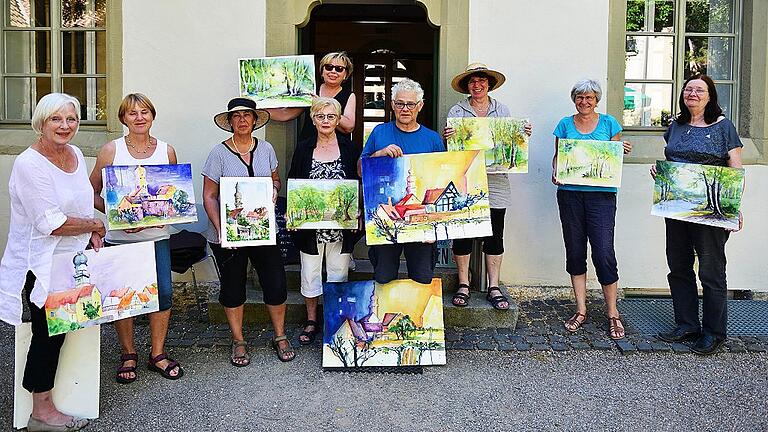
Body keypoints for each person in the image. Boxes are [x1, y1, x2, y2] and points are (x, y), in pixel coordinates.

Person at [0, 93, 103, 431]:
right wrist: (94, 225)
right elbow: (50, 223)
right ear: (41, 123)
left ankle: (53, 398)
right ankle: (40, 410)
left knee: (65, 329)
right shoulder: (29, 164)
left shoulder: (73, 153)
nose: (65, 126)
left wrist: (91, 233)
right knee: (48, 334)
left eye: (71, 119)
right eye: (56, 119)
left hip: (72, 259)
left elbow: (82, 202)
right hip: (40, 263)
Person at [89, 93, 183, 384]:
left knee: (164, 294)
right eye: (133, 113)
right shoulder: (111, 151)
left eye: (145, 112)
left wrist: (165, 211)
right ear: (123, 119)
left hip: (157, 236)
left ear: (152, 116)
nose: (139, 117)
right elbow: (90, 191)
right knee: (124, 298)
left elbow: (172, 194)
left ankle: (157, 353)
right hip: (121, 239)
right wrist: (117, 215)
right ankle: (128, 353)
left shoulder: (166, 151)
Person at [653, 74, 743, 355]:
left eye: (699, 90)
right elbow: (672, 160)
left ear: (710, 96)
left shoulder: (722, 126)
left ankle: (713, 333)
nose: (692, 93)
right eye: (688, 89)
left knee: (711, 271)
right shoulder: (676, 126)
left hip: (711, 211)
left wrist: (735, 206)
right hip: (676, 207)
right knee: (678, 266)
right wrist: (660, 174)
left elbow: (735, 168)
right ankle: (687, 325)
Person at [202, 97, 295, 365]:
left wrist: (275, 190)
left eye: (247, 115)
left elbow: (275, 179)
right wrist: (221, 230)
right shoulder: (218, 153)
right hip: (228, 234)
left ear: (255, 120)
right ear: (229, 122)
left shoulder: (266, 149)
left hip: (264, 230)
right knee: (233, 288)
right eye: (236, 116)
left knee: (275, 284)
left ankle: (279, 335)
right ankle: (238, 340)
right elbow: (209, 196)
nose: (242, 120)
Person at [443, 63, 532, 310]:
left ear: (489, 84)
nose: (477, 85)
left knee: (495, 234)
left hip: (496, 181)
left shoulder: (501, 110)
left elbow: (510, 142)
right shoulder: (457, 110)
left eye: (482, 81)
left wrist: (521, 134)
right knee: (463, 233)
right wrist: (448, 137)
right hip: (466, 179)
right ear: (467, 86)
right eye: (472, 81)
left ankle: (493, 285)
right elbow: (452, 150)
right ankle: (464, 283)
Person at [551, 79, 632, 340]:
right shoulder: (564, 124)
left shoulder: (609, 124)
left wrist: (622, 150)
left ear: (597, 100)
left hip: (602, 197)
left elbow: (615, 157)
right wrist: (555, 171)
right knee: (575, 251)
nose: (584, 102)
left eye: (589, 98)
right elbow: (558, 157)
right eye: (579, 97)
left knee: (604, 253)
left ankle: (612, 313)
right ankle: (581, 310)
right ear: (574, 99)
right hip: (570, 196)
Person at [287, 97, 361, 345]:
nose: (326, 121)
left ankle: (334, 319)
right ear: (313, 120)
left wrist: (358, 212)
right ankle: (311, 320)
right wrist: (292, 212)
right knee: (310, 273)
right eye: (320, 116)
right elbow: (294, 181)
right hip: (310, 227)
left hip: (341, 228)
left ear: (338, 120)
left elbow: (359, 184)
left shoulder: (350, 149)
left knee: (338, 273)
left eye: (331, 116)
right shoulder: (304, 148)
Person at [359, 78, 444, 284]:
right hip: (387, 222)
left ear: (420, 106)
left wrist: (436, 228)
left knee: (422, 277)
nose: (405, 109)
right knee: (384, 276)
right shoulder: (380, 132)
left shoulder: (432, 139)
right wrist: (379, 153)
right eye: (400, 103)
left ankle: (415, 317)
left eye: (410, 104)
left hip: (421, 220)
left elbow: (440, 182)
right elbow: (361, 171)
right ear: (392, 105)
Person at [269, 52, 356, 142]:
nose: (333, 71)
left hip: (337, 147)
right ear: (322, 72)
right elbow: (286, 114)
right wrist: (259, 109)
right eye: (328, 67)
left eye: (339, 69)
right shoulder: (310, 90)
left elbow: (349, 126)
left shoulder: (349, 95)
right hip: (309, 144)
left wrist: (320, 104)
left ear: (345, 75)